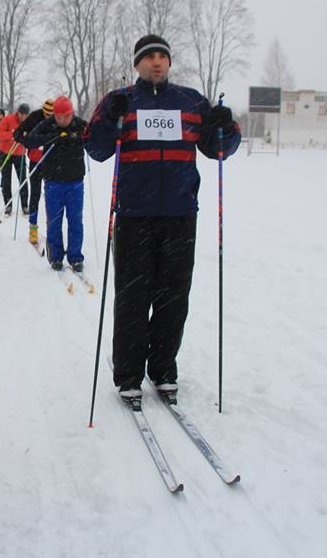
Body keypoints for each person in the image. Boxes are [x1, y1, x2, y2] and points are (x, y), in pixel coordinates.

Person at [84, 34, 241, 406]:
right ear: (137, 64)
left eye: (162, 57)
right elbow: (96, 147)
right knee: (133, 297)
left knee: (173, 298)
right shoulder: (121, 100)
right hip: (134, 215)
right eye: (149, 57)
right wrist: (110, 117)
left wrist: (226, 125)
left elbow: (219, 149)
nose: (157, 62)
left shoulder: (190, 102)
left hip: (180, 215)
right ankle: (128, 374)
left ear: (169, 63)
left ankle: (163, 368)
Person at [22, 96, 87, 271]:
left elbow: (95, 140)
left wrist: (76, 138)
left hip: (75, 182)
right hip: (53, 181)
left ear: (71, 113)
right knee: (54, 221)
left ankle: (75, 257)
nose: (62, 120)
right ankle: (56, 257)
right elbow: (28, 139)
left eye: (65, 116)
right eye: (58, 117)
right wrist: (51, 137)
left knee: (75, 221)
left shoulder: (80, 124)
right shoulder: (48, 124)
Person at [14, 98, 53, 244]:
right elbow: (18, 134)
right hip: (35, 161)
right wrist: (25, 138)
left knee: (51, 197)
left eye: (51, 115)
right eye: (46, 114)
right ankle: (33, 229)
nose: (48, 117)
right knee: (35, 195)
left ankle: (52, 230)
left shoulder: (58, 119)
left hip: (51, 163)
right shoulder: (35, 117)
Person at [0, 103, 30, 216]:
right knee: (6, 179)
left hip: (19, 153)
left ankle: (25, 205)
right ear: (19, 113)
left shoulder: (27, 123)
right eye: (23, 115)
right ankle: (8, 205)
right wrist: (12, 134)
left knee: (23, 179)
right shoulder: (7, 119)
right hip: (5, 152)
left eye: (26, 115)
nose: (24, 117)